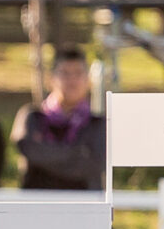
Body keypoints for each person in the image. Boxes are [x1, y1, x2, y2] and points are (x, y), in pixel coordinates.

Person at [12, 46, 106, 191]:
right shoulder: (32, 116)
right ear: (51, 79)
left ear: (88, 80)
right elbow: (29, 149)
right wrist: (78, 152)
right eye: (65, 73)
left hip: (85, 206)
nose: (72, 80)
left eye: (78, 73)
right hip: (38, 204)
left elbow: (95, 164)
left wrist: (47, 153)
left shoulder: (99, 123)